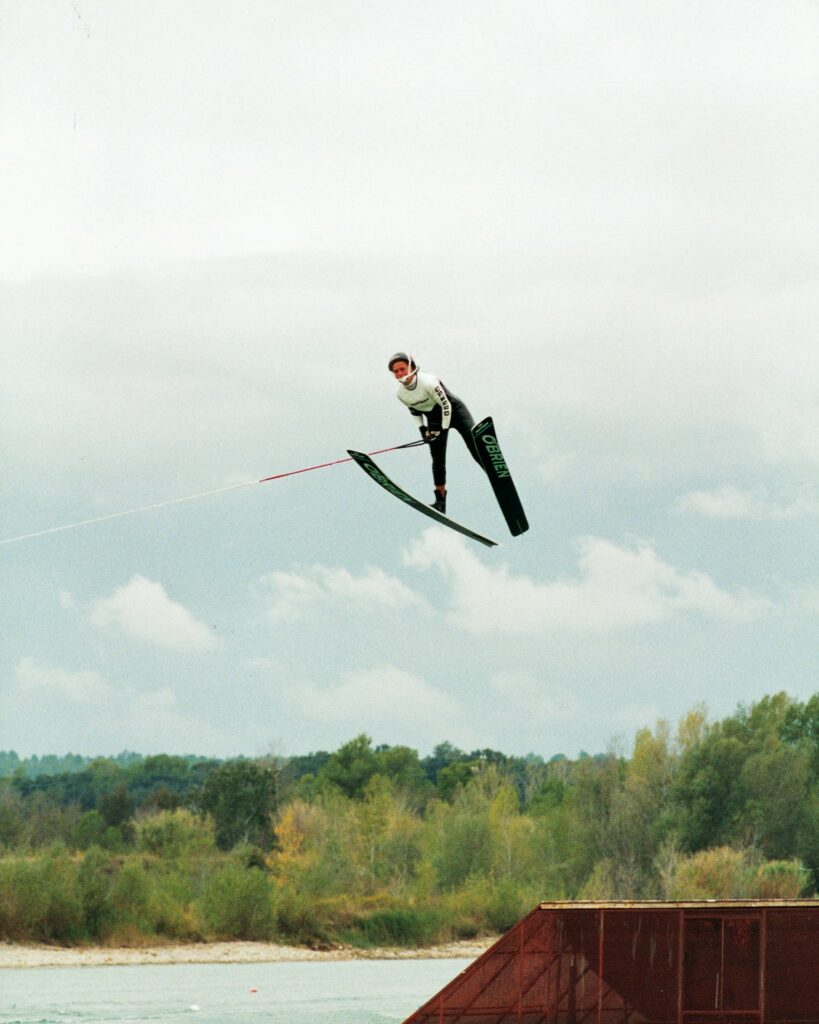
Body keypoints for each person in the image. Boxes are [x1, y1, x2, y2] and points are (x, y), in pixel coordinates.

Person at [388, 352, 484, 514]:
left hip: (455, 412)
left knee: (474, 445)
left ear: (411, 367)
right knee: (437, 458)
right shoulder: (401, 394)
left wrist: (443, 430)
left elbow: (446, 406)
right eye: (395, 371)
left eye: (402, 369)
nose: (399, 374)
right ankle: (440, 501)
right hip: (434, 418)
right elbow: (415, 412)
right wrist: (423, 430)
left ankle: (494, 474)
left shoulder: (428, 382)